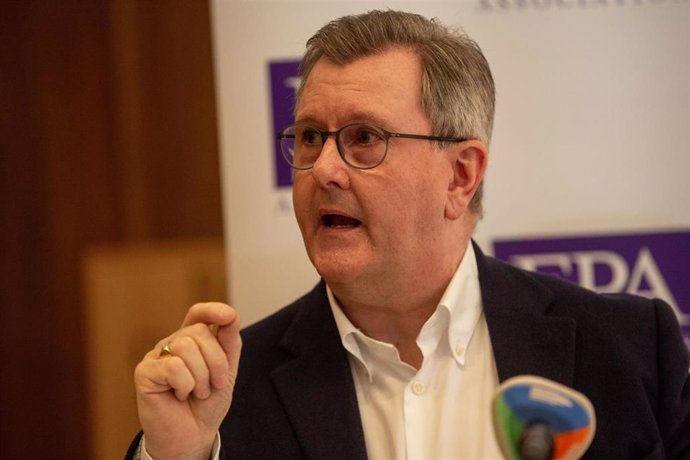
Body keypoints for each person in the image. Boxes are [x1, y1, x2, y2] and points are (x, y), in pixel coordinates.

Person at [127, 10, 690, 460]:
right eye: (309, 137)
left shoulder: (630, 349)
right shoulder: (229, 395)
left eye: (364, 137)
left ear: (461, 175)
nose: (323, 169)